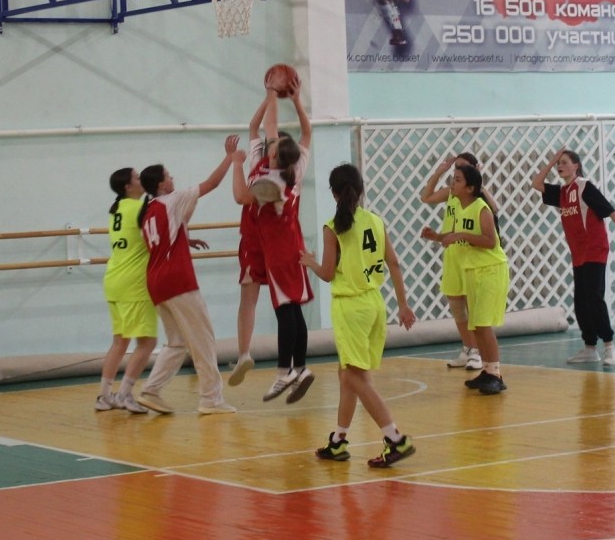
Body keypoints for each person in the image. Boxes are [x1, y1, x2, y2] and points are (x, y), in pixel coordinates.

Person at [300, 163, 419, 467]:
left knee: (356, 377)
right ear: (361, 189)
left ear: (333, 193)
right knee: (347, 375)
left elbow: (328, 274)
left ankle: (395, 438)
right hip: (374, 304)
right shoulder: (375, 221)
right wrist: (403, 305)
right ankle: (338, 441)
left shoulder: (332, 228)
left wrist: (310, 263)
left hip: (351, 307)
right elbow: (394, 263)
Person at [135, 137, 245, 415]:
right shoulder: (173, 199)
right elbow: (212, 184)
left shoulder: (148, 212)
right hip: (177, 281)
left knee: (176, 342)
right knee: (203, 339)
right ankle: (211, 399)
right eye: (169, 176)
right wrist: (230, 157)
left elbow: (162, 241)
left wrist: (186, 239)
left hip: (156, 283)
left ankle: (150, 390)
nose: (173, 178)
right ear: (161, 184)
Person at [230, 87, 317, 404]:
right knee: (294, 310)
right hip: (294, 248)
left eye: (274, 144)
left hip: (277, 252)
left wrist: (235, 163)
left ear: (276, 156)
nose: (271, 141)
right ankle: (300, 368)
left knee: (283, 312)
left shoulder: (271, 182)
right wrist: (285, 98)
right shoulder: (295, 168)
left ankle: (284, 372)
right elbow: (303, 132)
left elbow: (241, 197)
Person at [532, 149, 615, 366]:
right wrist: (552, 160)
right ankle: (590, 348)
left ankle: (610, 346)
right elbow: (536, 183)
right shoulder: (562, 192)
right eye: (559, 163)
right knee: (581, 301)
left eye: (564, 162)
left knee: (593, 297)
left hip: (595, 248)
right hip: (578, 253)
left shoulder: (584, 186)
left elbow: (609, 210)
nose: (560, 166)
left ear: (576, 165)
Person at [423, 161, 509, 394]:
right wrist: (436, 237)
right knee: (476, 325)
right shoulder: (460, 208)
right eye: (453, 178)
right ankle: (487, 371)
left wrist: (461, 235)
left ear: (470, 188)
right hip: (473, 271)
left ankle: (496, 374)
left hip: (490, 270)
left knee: (483, 325)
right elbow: (456, 237)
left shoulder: (481, 208)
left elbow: (491, 241)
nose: (452, 183)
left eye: (458, 179)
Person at [94, 167, 156, 415]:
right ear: (128, 187)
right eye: (137, 177)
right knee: (147, 342)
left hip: (113, 280)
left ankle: (104, 396)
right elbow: (154, 239)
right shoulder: (139, 208)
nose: (142, 180)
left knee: (119, 342)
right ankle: (125, 394)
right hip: (134, 284)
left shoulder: (117, 209)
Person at [420, 151, 484, 372]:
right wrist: (439, 171)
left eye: (462, 167)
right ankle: (468, 348)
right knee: (457, 307)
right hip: (452, 253)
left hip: (471, 255)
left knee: (472, 306)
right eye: (455, 167)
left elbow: (494, 212)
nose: (457, 171)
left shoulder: (477, 199)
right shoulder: (450, 193)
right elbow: (426, 197)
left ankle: (478, 351)